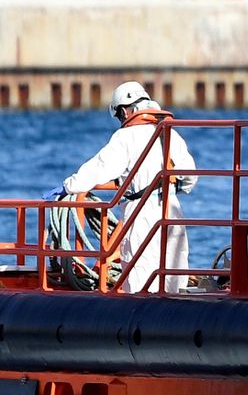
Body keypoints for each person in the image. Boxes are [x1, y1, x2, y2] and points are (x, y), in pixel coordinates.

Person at [60, 82, 196, 294]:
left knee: (139, 273)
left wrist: (69, 186)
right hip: (172, 209)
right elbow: (189, 177)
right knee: (174, 270)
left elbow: (100, 168)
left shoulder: (125, 137)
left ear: (124, 110)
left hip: (140, 212)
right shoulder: (169, 133)